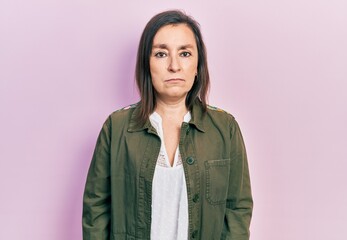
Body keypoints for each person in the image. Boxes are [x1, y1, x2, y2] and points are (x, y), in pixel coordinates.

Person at [82, 10, 253, 240]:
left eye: (184, 53)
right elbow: (96, 212)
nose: (174, 66)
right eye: (161, 54)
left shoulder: (225, 129)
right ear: (147, 64)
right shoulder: (116, 128)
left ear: (197, 64)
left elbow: (237, 211)